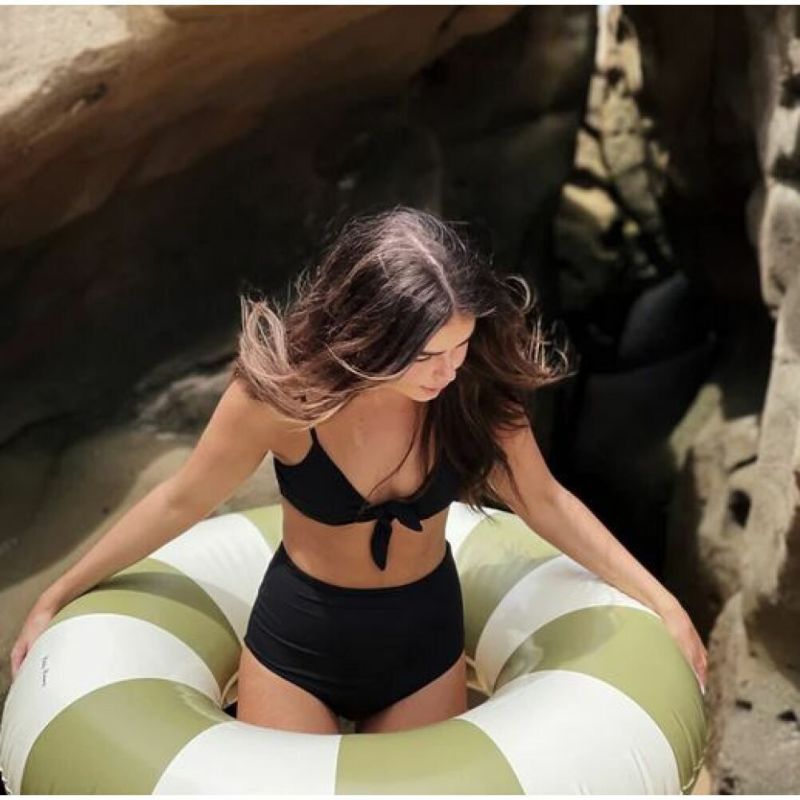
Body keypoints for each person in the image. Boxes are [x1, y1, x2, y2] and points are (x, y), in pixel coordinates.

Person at [10, 206, 708, 736]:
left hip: (424, 643)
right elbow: (180, 499)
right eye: (426, 355)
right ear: (370, 333)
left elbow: (545, 501)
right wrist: (57, 593)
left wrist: (665, 603)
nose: (447, 370)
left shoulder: (474, 397)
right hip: (296, 644)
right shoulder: (282, 400)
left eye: (460, 346)